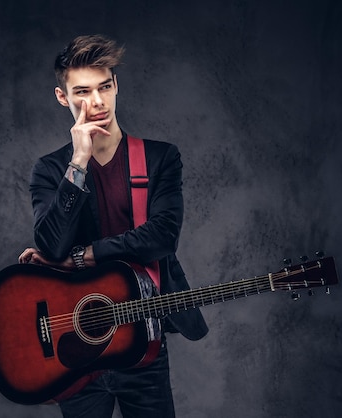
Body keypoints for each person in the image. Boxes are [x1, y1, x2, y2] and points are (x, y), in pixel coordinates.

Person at [18, 34, 208, 418]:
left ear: (116, 85)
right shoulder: (51, 170)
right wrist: (79, 163)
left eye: (105, 87)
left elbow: (162, 237)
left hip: (142, 342)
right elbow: (51, 247)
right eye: (83, 92)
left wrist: (84, 257)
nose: (98, 102)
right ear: (62, 97)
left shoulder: (159, 159)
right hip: (77, 346)